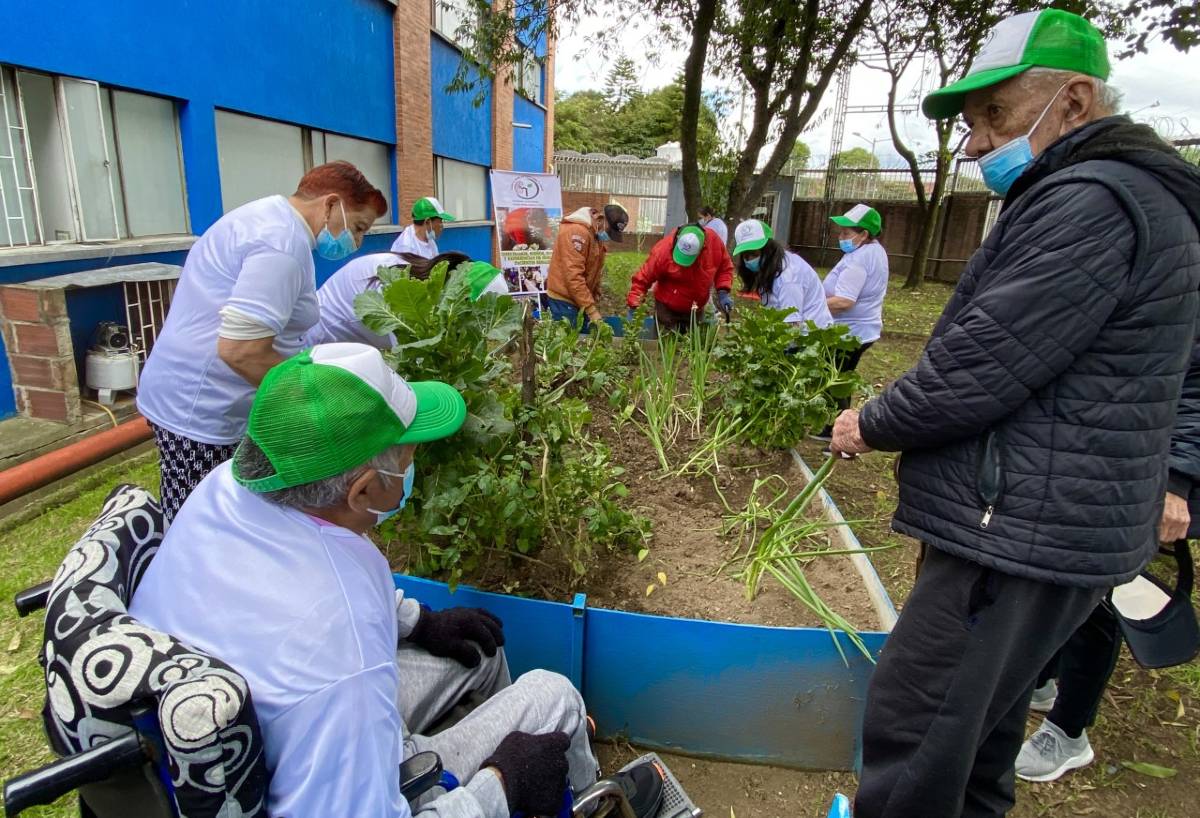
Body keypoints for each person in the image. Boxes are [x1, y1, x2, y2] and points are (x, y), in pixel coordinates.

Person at [830, 10, 1200, 817]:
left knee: (918, 733)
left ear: (1072, 103)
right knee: (979, 744)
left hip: (1020, 525)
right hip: (1053, 515)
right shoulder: (1132, 198)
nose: (973, 143)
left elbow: (979, 366)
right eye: (970, 122)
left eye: (993, 116)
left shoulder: (1091, 205)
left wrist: (872, 421)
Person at [129, 343, 602, 818]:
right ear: (362, 490)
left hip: (249, 732)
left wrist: (417, 622)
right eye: (409, 457)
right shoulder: (341, 641)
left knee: (481, 650)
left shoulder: (224, 488)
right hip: (318, 777)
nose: (414, 466)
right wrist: (500, 785)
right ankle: (585, 802)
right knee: (552, 695)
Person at [137, 161, 387, 522]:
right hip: (201, 410)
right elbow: (241, 350)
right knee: (199, 524)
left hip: (190, 395)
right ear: (331, 204)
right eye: (359, 227)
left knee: (216, 515)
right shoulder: (281, 245)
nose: (358, 241)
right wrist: (310, 398)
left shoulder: (269, 218)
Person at [1016, 341, 1200, 783]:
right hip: (1104, 463)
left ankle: (1067, 733)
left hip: (1153, 478)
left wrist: (1177, 482)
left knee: (1099, 600)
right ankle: (1043, 679)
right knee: (1061, 581)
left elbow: (1193, 396)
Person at [814, 204, 889, 440]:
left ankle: (841, 435)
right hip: (860, 329)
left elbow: (845, 300)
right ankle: (832, 428)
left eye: (846, 233)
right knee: (838, 378)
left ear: (864, 234)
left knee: (837, 381)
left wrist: (813, 307)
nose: (841, 237)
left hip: (850, 333)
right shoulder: (873, 251)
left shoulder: (859, 260)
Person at [305, 251, 472, 349]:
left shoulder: (417, 270)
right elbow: (409, 355)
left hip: (344, 340)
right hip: (315, 341)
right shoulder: (396, 292)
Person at [626, 223, 735, 333]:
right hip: (666, 308)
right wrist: (634, 305)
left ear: (702, 249)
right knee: (665, 344)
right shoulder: (662, 251)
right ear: (677, 240)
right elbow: (643, 278)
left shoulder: (714, 244)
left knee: (693, 345)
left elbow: (724, 268)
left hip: (696, 308)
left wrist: (723, 291)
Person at [730, 219, 831, 328]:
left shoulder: (788, 279)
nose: (749, 260)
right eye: (745, 255)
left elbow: (792, 326)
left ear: (768, 248)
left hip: (809, 336)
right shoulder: (772, 266)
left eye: (754, 254)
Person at [545, 204, 627, 330]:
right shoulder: (577, 232)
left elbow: (594, 267)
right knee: (569, 344)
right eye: (609, 232)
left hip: (578, 299)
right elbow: (573, 276)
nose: (608, 237)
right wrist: (591, 310)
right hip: (563, 300)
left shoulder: (595, 233)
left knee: (581, 343)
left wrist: (595, 292)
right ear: (601, 219)